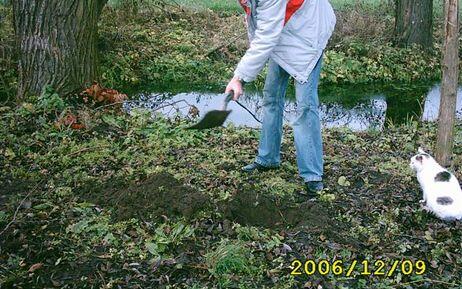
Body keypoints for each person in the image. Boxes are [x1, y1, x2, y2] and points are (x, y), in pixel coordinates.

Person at [225, 0, 336, 196]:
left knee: (305, 106)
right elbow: (259, 21)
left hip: (308, 33)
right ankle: (268, 158)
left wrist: (239, 77)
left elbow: (266, 35)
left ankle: (312, 175)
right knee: (271, 96)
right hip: (284, 32)